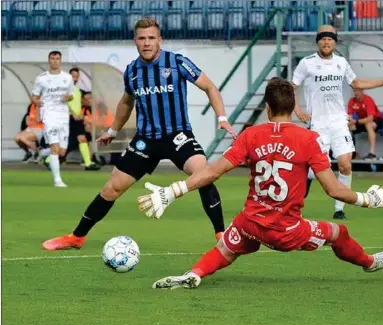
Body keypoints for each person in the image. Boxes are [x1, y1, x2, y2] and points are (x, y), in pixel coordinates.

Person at [136, 78, 383, 290]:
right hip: (286, 230)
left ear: (267, 108)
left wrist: (174, 190)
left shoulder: (250, 135)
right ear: (292, 107)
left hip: (250, 222)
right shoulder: (309, 139)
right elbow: (334, 190)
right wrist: (368, 199)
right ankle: (371, 263)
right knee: (339, 233)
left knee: (226, 250)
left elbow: (213, 172)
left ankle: (193, 274)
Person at [42, 18, 234, 251]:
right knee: (112, 188)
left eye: (151, 38)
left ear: (159, 40)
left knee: (204, 174)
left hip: (177, 136)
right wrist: (113, 130)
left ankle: (221, 235)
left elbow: (210, 87)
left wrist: (222, 118)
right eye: (142, 38)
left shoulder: (177, 62)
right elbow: (126, 102)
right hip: (146, 140)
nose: (147, 43)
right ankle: (77, 237)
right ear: (136, 41)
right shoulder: (132, 71)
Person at [292, 24, 383, 220]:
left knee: (345, 164)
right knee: (319, 169)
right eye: (323, 38)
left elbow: (357, 83)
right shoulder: (306, 63)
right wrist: (298, 110)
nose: (326, 42)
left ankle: (339, 209)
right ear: (318, 41)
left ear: (335, 42)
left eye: (330, 39)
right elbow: (291, 87)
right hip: (317, 124)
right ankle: (304, 185)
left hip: (338, 122)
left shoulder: (341, 62)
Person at [31, 50, 74, 187]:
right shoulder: (41, 78)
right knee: (55, 147)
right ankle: (57, 180)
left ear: (60, 60)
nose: (55, 61)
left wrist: (69, 97)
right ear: (49, 60)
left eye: (57, 58)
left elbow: (71, 94)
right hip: (49, 115)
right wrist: (38, 106)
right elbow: (34, 97)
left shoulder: (67, 78)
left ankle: (43, 152)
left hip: (63, 115)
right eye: (52, 58)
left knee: (62, 151)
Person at [347, 88, 383, 160]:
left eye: (358, 90)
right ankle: (352, 153)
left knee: (368, 124)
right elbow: (350, 117)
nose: (356, 93)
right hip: (363, 121)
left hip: (378, 120)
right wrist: (350, 122)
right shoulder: (351, 101)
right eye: (355, 91)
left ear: (362, 91)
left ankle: (372, 154)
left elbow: (370, 119)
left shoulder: (368, 100)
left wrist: (355, 121)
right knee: (348, 128)